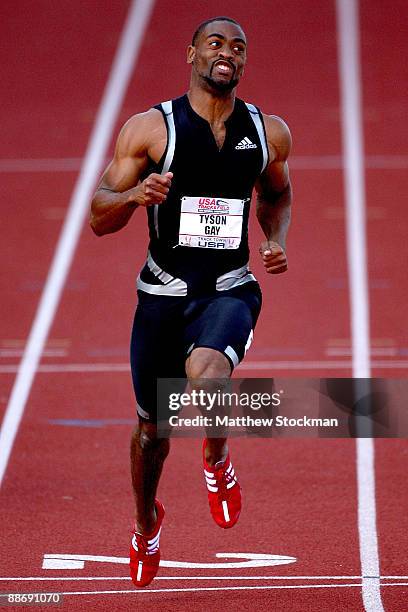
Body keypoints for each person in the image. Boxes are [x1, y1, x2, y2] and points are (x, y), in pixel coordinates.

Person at [90, 15, 292, 588]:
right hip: (162, 296)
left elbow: (277, 193)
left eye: (237, 47)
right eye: (214, 44)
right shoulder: (151, 129)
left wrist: (275, 239)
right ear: (192, 55)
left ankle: (216, 460)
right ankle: (145, 524)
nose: (226, 53)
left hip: (228, 287)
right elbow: (98, 217)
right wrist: (133, 194)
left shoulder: (268, 131)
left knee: (209, 376)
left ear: (245, 62)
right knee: (152, 434)